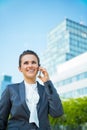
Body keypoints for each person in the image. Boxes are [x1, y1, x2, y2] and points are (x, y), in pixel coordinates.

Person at [0, 50, 63, 130]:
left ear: (38, 67)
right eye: (26, 63)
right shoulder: (11, 89)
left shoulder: (46, 90)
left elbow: (57, 112)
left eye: (33, 62)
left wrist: (47, 82)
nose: (30, 65)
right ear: (20, 68)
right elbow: (1, 119)